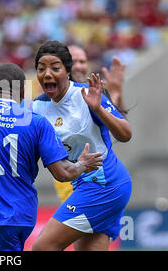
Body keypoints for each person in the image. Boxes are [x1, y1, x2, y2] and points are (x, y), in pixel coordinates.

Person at [0, 63, 103, 251]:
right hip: (23, 213)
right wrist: (82, 164)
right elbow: (63, 173)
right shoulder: (37, 122)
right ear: (22, 92)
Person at [31, 40, 132, 251]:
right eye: (41, 69)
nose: (47, 74)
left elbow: (125, 134)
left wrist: (99, 110)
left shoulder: (86, 95)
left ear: (67, 71)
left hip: (105, 184)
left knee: (42, 247)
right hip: (82, 185)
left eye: (55, 68)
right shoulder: (37, 108)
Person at [53, 44, 128, 203]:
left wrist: (115, 92)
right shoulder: (52, 101)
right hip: (72, 186)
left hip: (96, 185)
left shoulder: (90, 94)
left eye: (83, 61)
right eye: (75, 62)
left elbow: (118, 125)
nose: (79, 66)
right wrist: (112, 93)